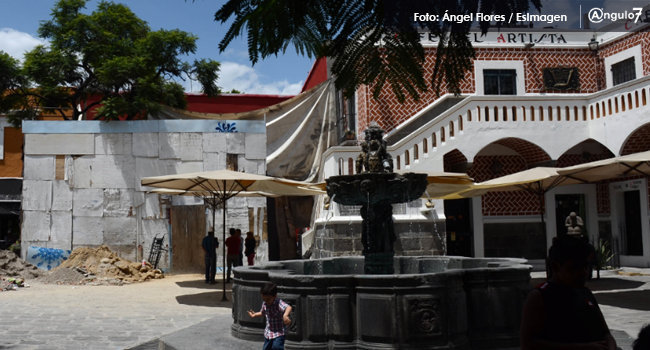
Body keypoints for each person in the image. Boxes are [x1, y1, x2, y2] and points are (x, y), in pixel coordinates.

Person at [521, 235, 617, 350]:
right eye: (574, 268)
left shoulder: (585, 293)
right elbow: (528, 344)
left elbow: (605, 332)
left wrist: (611, 345)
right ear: (556, 267)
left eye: (585, 266)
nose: (583, 273)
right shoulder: (540, 297)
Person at [247, 282, 292, 350]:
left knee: (276, 347)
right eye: (264, 299)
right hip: (268, 332)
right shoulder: (265, 303)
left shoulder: (278, 303)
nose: (266, 301)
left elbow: (288, 307)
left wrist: (285, 315)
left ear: (275, 296)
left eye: (268, 299)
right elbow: (263, 312)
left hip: (278, 333)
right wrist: (255, 314)